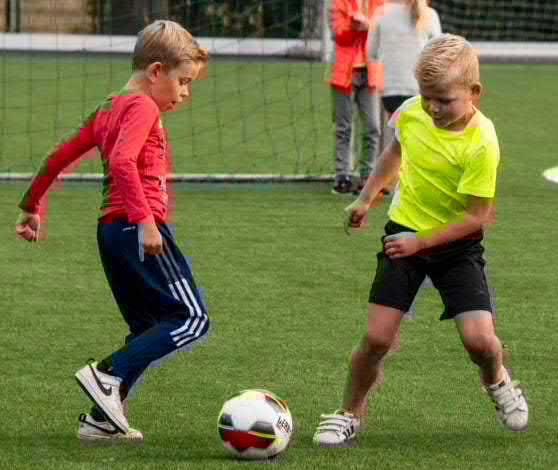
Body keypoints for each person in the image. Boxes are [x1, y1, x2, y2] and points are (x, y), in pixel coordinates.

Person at [314, 34, 528, 447]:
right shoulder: (412, 111)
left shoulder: (483, 141)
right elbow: (394, 152)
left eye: (444, 100)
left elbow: (478, 216)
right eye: (427, 97)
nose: (433, 108)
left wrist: (422, 242)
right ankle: (349, 414)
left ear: (474, 92)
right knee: (377, 339)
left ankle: (498, 381)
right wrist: (366, 198)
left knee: (480, 343)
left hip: (456, 247)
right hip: (402, 236)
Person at [15, 20, 210, 442]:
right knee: (192, 318)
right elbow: (122, 162)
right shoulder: (143, 106)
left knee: (147, 326)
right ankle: (108, 373)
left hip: (111, 233)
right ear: (156, 71)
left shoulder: (108, 106)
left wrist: (31, 205)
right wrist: (146, 221)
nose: (184, 93)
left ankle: (101, 421)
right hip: (137, 228)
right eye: (183, 81)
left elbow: (58, 155)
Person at [328, 0, 384, 194]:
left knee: (373, 127)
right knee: (344, 127)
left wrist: (369, 26)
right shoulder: (339, 3)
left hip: (372, 72)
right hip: (344, 72)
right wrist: (353, 25)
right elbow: (338, 34)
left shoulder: (379, 3)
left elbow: (384, 34)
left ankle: (368, 176)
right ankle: (343, 176)